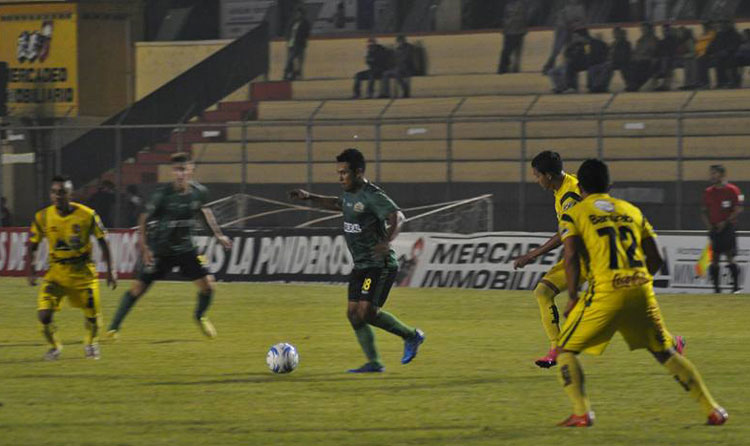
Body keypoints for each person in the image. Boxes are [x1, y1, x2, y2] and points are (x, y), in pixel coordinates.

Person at [554, 159, 728, 427]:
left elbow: (571, 255)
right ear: (609, 185)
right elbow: (656, 258)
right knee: (666, 353)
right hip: (641, 290)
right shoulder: (632, 211)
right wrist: (636, 281)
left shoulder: (575, 212)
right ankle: (713, 409)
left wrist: (574, 296)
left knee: (564, 350)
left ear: (580, 189)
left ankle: (581, 412)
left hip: (606, 292)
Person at [289, 148, 424, 373]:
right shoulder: (350, 194)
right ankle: (374, 363)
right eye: (338, 172)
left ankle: (412, 336)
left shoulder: (372, 195)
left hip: (378, 265)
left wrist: (388, 240)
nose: (340, 177)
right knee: (353, 314)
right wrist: (309, 197)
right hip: (361, 264)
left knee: (367, 312)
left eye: (344, 172)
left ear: (359, 172)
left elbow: (397, 216)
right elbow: (337, 204)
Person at [106, 153, 232, 339]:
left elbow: (204, 212)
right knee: (137, 289)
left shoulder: (199, 192)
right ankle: (113, 328)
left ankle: (200, 316)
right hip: (162, 250)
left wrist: (218, 235)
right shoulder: (162, 195)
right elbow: (143, 219)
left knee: (208, 287)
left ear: (191, 170)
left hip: (187, 249)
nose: (179, 174)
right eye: (176, 170)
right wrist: (145, 248)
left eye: (183, 169)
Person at [25, 175, 117, 360]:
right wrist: (31, 269)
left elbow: (103, 242)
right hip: (56, 273)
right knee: (43, 315)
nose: (57, 196)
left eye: (62, 192)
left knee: (92, 316)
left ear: (70, 194)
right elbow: (32, 245)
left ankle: (91, 343)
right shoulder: (42, 217)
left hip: (83, 274)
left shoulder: (87, 215)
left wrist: (110, 270)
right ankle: (55, 347)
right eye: (54, 192)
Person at [513, 151, 584, 368]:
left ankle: (667, 342)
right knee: (543, 292)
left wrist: (531, 255)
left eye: (537, 176)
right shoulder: (564, 187)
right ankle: (557, 348)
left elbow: (565, 233)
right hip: (579, 257)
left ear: (549, 176)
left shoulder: (570, 194)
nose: (537, 180)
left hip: (594, 258)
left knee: (617, 309)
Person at [701, 165, 744, 294]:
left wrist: (724, 223)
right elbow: (703, 211)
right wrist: (710, 227)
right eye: (711, 173)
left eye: (715, 173)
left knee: (730, 256)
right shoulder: (708, 192)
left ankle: (735, 288)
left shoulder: (732, 190)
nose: (712, 176)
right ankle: (716, 289)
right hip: (714, 229)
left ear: (722, 175)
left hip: (727, 228)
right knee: (714, 258)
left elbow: (738, 209)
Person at [542, 0, 586, 75]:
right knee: (557, 49)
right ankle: (549, 67)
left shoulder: (579, 8)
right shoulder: (565, 6)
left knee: (568, 49)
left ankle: (566, 67)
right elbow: (562, 17)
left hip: (571, 30)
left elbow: (582, 20)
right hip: (562, 29)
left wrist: (575, 24)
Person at [626, 22, 658, 91]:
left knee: (640, 66)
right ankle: (632, 84)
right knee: (628, 65)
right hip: (638, 59)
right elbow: (636, 51)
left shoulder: (653, 39)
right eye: (642, 29)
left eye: (645, 29)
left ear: (650, 29)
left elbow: (653, 51)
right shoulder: (640, 40)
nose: (643, 31)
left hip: (647, 59)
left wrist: (641, 56)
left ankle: (635, 85)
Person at [498, 0, 527, 74]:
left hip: (511, 30)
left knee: (507, 50)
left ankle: (506, 67)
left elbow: (505, 18)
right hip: (516, 30)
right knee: (513, 51)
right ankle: (512, 67)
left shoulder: (509, 6)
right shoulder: (521, 5)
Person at [283, 6, 311, 81]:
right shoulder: (294, 22)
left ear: (302, 14)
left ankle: (294, 74)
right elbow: (289, 31)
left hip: (299, 44)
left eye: (299, 13)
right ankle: (292, 74)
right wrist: (288, 39)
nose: (298, 15)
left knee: (298, 60)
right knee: (291, 59)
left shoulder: (305, 23)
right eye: (297, 13)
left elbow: (306, 34)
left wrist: (301, 39)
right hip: (291, 43)